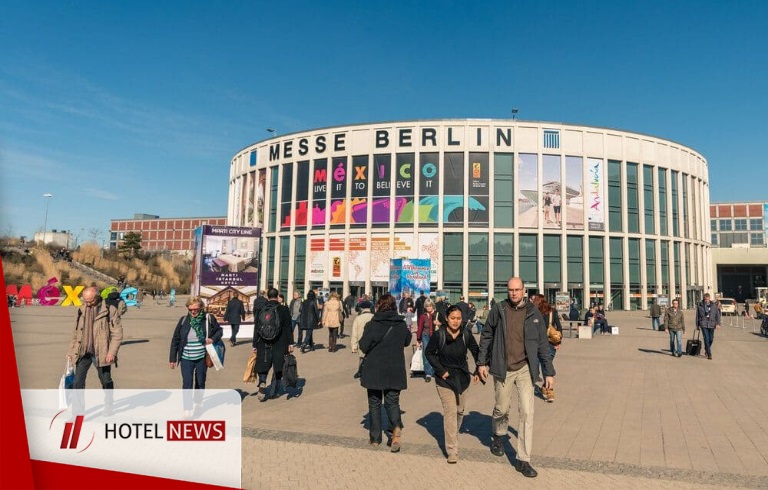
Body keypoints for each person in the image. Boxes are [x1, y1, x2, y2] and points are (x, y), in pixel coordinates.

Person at [477, 277, 555, 479]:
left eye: (517, 289)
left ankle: (523, 459)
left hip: (525, 369)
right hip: (503, 367)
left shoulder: (533, 313)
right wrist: (481, 363)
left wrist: (548, 372)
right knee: (501, 408)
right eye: (510, 289)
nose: (513, 293)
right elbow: (486, 335)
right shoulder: (499, 309)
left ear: (524, 290)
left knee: (528, 413)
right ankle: (498, 434)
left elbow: (542, 345)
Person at [424, 305, 480, 464]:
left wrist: (478, 370)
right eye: (452, 318)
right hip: (444, 379)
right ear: (446, 318)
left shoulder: (466, 334)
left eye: (458, 318)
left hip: (462, 377)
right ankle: (452, 450)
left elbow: (476, 351)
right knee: (450, 411)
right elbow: (429, 353)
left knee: (460, 411)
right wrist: (441, 370)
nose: (455, 321)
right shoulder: (438, 335)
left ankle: (453, 433)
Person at [359, 294, 411, 451]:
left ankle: (375, 438)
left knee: (374, 403)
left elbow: (363, 346)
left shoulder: (372, 324)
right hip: (394, 369)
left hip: (375, 369)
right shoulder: (400, 324)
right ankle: (395, 429)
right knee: (392, 402)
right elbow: (407, 341)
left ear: (379, 306)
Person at [67, 286, 123, 415]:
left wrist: (112, 352)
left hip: (101, 352)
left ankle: (109, 405)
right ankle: (78, 413)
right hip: (83, 351)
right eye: (85, 301)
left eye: (90, 301)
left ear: (97, 297)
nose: (88, 304)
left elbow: (117, 333)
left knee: (106, 381)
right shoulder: (81, 310)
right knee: (77, 383)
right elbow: (76, 332)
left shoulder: (109, 310)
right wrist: (71, 352)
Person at [169, 296, 222, 418]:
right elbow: (175, 339)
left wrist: (212, 339)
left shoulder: (208, 319)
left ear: (201, 308)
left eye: (196, 309)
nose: (193, 312)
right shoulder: (183, 320)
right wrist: (172, 359)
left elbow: (219, 331)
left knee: (200, 382)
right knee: (187, 383)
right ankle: (187, 410)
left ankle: (198, 403)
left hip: (201, 358)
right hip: (186, 357)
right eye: (190, 309)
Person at [252, 288, 294, 401]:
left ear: (268, 296)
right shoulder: (284, 309)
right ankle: (273, 391)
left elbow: (257, 327)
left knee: (263, 364)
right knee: (278, 367)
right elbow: (288, 327)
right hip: (280, 342)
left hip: (263, 341)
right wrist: (291, 343)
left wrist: (254, 344)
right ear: (277, 296)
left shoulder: (262, 309)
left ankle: (262, 382)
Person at [530, 294, 561, 403]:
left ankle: (546, 389)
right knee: (546, 366)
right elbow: (559, 327)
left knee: (537, 365)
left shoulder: (533, 312)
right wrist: (558, 341)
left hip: (536, 344)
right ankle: (547, 389)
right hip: (550, 344)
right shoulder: (552, 312)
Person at [416, 299, 438, 382]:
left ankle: (435, 371)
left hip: (435, 336)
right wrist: (418, 339)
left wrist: (438, 323)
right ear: (425, 307)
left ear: (433, 306)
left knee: (435, 353)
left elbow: (444, 323)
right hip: (425, 335)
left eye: (430, 306)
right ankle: (428, 373)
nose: (429, 308)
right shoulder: (423, 316)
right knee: (425, 353)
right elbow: (420, 328)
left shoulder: (436, 314)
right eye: (427, 306)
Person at [696, 293, 721, 360]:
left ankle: (707, 348)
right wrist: (697, 325)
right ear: (704, 299)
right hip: (703, 324)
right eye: (705, 299)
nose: (706, 300)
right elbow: (697, 316)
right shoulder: (700, 305)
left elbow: (717, 315)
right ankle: (709, 353)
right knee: (706, 338)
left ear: (709, 299)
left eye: (707, 299)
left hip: (711, 324)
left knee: (711, 339)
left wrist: (718, 324)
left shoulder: (713, 305)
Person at [352, 304, 374, 379]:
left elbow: (354, 333)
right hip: (372, 341)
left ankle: (360, 372)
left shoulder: (358, 318)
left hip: (361, 341)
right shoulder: (374, 317)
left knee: (361, 358)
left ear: (361, 309)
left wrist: (354, 347)